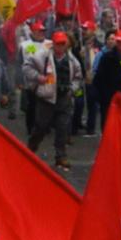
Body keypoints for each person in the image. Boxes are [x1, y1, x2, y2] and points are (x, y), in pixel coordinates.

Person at [27, 30, 83, 172]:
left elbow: (78, 76)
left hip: (64, 97)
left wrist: (72, 89)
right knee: (41, 126)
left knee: (63, 128)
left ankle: (61, 156)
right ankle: (31, 148)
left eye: (63, 44)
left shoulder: (71, 60)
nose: (60, 47)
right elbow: (27, 67)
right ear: (53, 44)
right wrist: (39, 78)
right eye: (58, 44)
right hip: (47, 98)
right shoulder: (42, 56)